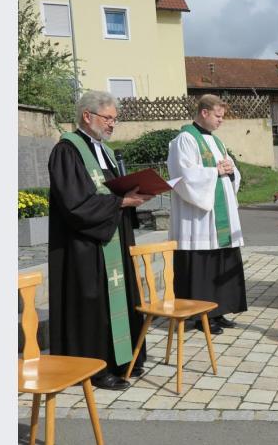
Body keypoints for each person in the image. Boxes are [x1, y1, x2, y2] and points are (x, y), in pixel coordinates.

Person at [48, 90, 153, 391]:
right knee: (93, 304)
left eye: (114, 120)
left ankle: (122, 360)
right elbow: (75, 204)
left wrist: (133, 194)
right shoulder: (67, 151)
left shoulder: (101, 149)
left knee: (114, 301)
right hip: (84, 247)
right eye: (108, 119)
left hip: (111, 241)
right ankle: (94, 368)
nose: (112, 125)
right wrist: (121, 203)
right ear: (87, 116)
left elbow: (111, 190)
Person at [167, 94, 248, 335]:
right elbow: (184, 176)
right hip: (198, 219)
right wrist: (215, 171)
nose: (221, 120)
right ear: (204, 112)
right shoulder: (184, 140)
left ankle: (218, 310)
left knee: (221, 262)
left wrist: (231, 172)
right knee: (203, 264)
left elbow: (230, 172)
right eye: (218, 116)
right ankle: (200, 315)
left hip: (218, 216)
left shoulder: (217, 142)